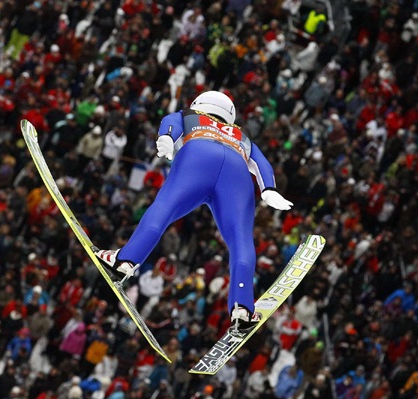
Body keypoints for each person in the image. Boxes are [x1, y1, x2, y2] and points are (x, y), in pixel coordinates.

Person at [96, 91, 292, 330]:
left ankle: (126, 260)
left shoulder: (191, 115)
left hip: (199, 155)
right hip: (236, 170)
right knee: (240, 239)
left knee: (164, 207)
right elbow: (261, 163)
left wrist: (167, 139)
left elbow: (170, 122)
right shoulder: (241, 133)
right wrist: (269, 188)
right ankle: (243, 307)